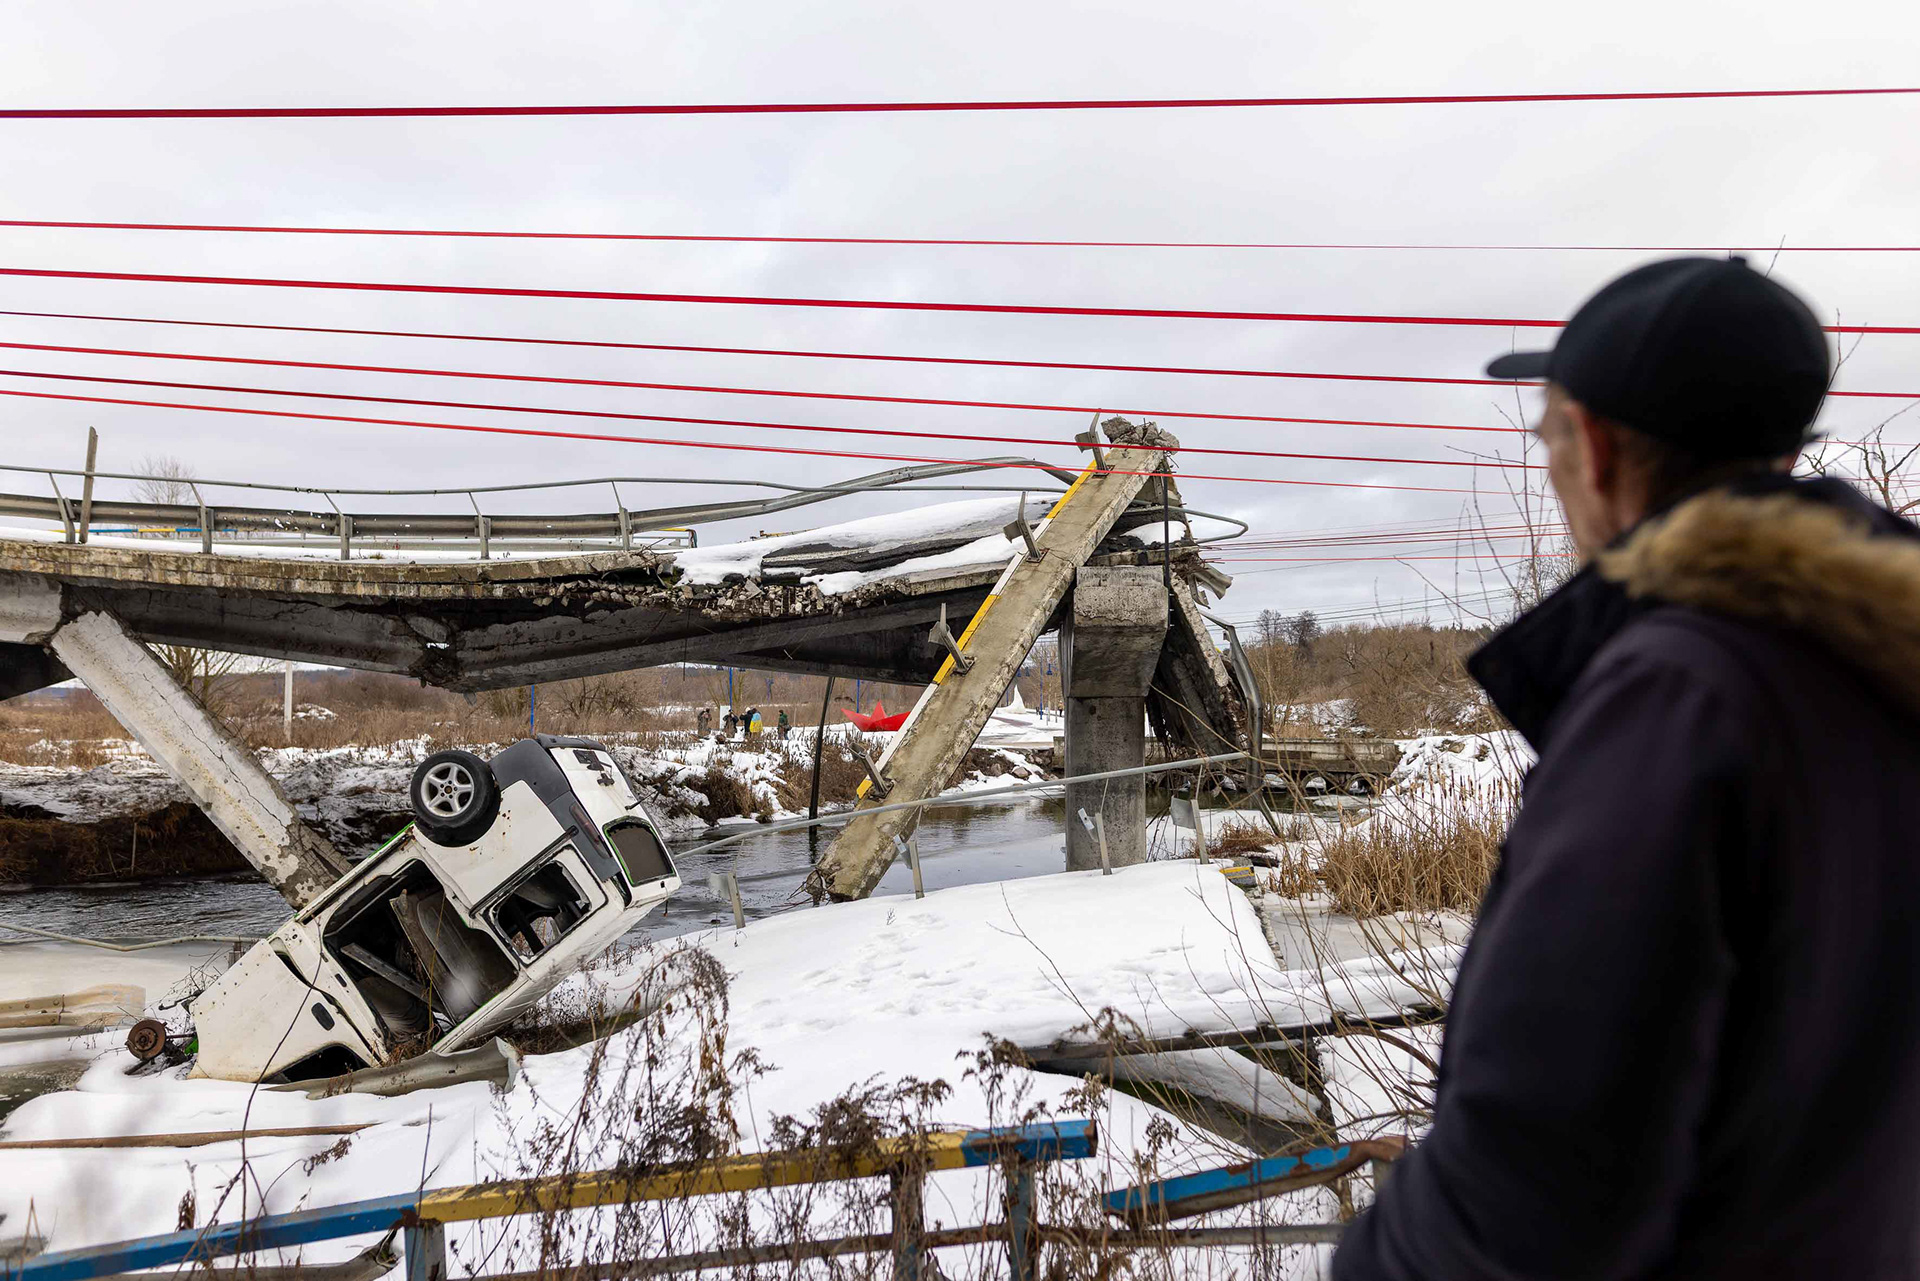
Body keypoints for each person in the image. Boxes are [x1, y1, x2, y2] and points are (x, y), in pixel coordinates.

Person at [1334, 258, 1920, 1279]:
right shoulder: (1869, 668)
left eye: (1548, 435)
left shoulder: (1680, 697)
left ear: (1594, 451)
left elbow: (1539, 1181)